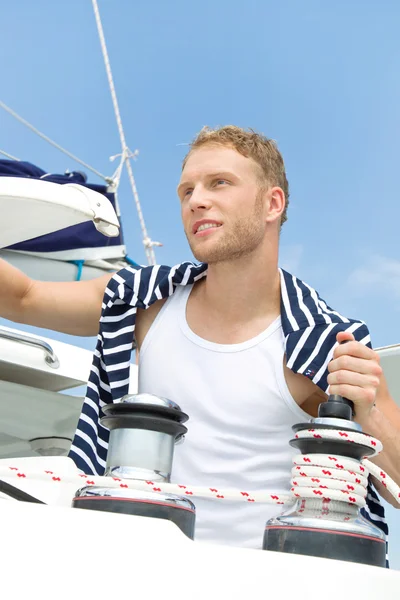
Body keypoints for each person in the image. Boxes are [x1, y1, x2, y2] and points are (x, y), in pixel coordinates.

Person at [0, 126, 399, 552]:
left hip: (271, 580)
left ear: (272, 203)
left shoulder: (322, 344)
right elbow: (25, 297)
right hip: (149, 565)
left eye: (219, 183)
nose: (196, 200)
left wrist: (369, 412)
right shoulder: (146, 303)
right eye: (186, 190)